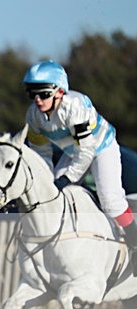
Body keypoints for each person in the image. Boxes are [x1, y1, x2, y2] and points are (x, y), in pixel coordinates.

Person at [23, 60, 137, 273]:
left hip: (100, 148)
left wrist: (66, 179)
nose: (38, 100)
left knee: (110, 200)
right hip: (74, 152)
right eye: (32, 94)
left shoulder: (74, 105)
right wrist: (48, 180)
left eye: (44, 94)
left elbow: (87, 152)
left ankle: (135, 244)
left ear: (59, 92)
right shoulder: (33, 116)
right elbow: (42, 154)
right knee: (53, 198)